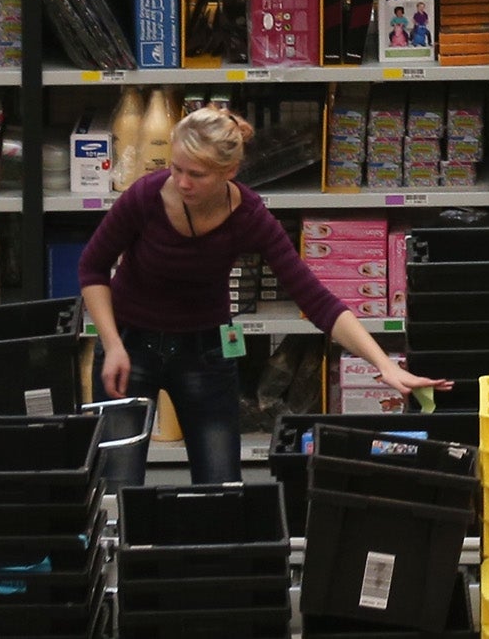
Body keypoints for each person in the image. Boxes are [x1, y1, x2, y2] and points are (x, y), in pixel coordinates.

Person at [77, 105, 445, 483]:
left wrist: (384, 364)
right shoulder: (145, 197)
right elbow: (92, 267)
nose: (182, 183)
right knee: (116, 483)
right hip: (130, 343)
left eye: (196, 174)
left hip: (206, 350)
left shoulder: (249, 216)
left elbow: (315, 299)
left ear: (229, 172)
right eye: (177, 168)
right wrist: (112, 343)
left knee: (222, 485)